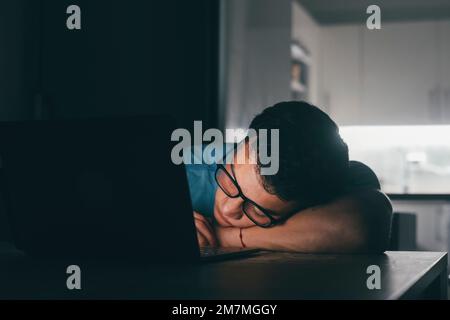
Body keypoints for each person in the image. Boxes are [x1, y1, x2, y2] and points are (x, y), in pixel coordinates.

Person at [186, 101, 392, 253]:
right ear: (243, 144)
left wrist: (224, 237)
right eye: (229, 178)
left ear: (305, 206)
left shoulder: (332, 177)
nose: (226, 209)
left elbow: (360, 227)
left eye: (257, 210)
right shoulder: (185, 172)